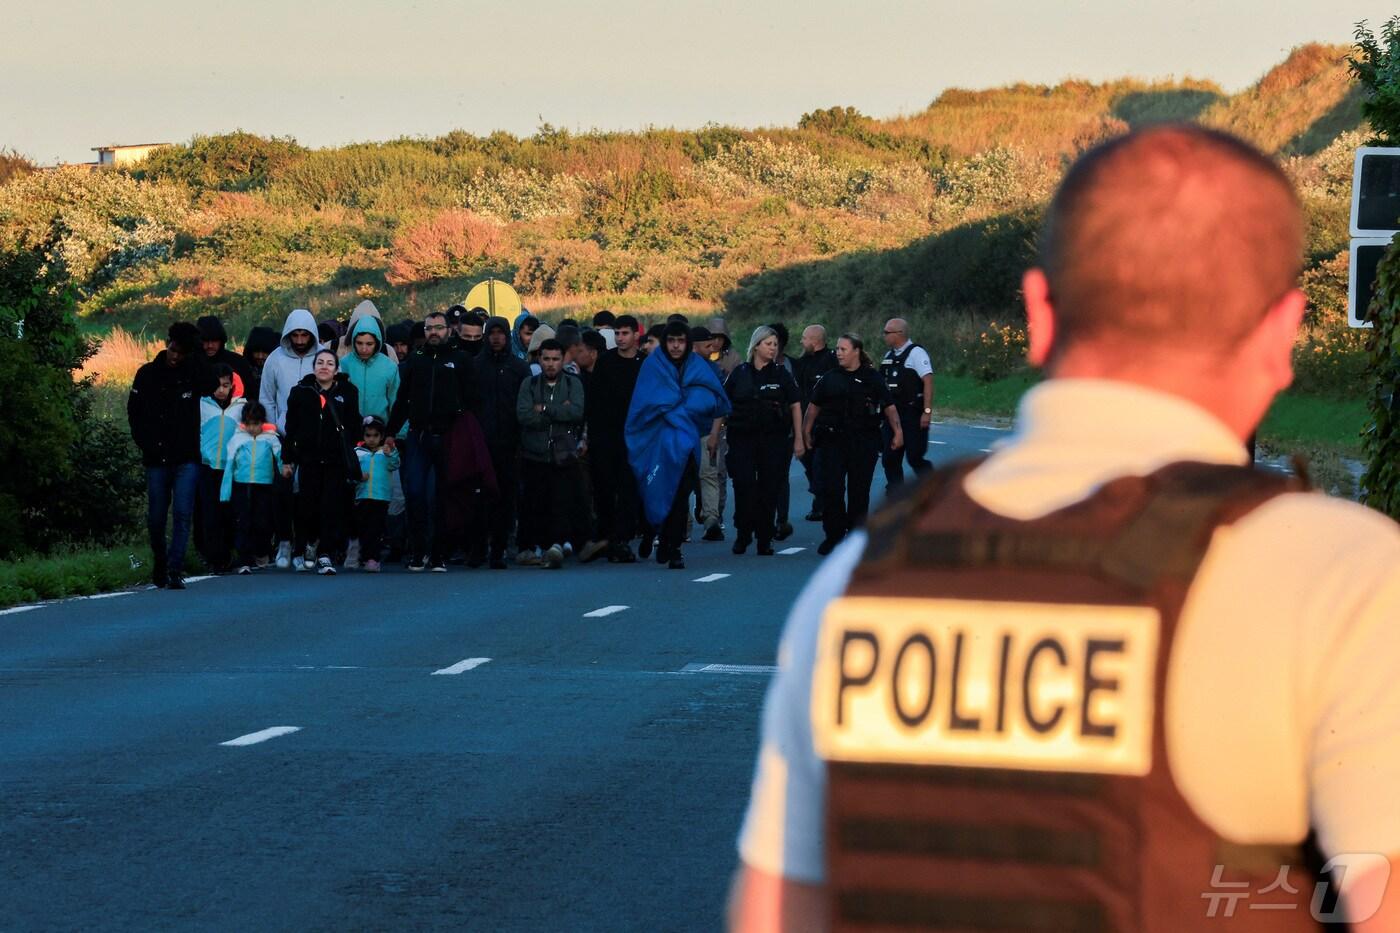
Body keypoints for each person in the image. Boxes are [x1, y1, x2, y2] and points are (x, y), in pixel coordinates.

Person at [731, 125, 1400, 931]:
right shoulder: (1338, 577)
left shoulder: (862, 576)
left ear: (1041, 313)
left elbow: (775, 908)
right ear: (1284, 330)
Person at [625, 321, 730, 570]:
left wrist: (687, 407)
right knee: (655, 487)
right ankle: (652, 532)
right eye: (671, 340)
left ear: (687, 343)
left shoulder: (696, 366)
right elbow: (643, 402)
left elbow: (713, 396)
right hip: (657, 441)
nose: (675, 346)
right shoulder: (653, 365)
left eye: (680, 341)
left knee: (680, 494)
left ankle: (673, 547)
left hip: (684, 442)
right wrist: (676, 405)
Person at [387, 310, 478, 572]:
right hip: (419, 435)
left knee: (440, 496)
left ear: (449, 329)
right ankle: (417, 551)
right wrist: (391, 432)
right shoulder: (416, 360)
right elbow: (403, 400)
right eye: (429, 328)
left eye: (439, 327)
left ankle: (438, 554)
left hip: (450, 436)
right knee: (414, 491)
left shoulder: (460, 359)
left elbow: (473, 400)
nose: (434, 332)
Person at [802, 334, 903, 556]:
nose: (838, 352)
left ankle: (856, 537)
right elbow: (813, 407)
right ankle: (833, 536)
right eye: (837, 349)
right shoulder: (829, 378)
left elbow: (889, 406)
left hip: (863, 442)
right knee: (832, 491)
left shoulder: (872, 378)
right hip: (832, 441)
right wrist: (806, 431)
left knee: (859, 491)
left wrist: (897, 432)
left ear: (856, 351)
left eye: (843, 349)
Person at [127, 322, 204, 589]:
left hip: (186, 457)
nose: (175, 356)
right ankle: (161, 561)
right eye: (173, 349)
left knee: (183, 513)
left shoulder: (193, 374)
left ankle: (175, 568)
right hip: (156, 457)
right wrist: (145, 444)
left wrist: (197, 358)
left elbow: (212, 384)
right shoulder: (146, 374)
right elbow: (133, 412)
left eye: (181, 353)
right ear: (167, 343)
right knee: (157, 517)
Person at [716, 326, 803, 557]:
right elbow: (723, 405)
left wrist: (799, 439)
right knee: (744, 485)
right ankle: (744, 533)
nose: (773, 348)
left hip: (773, 440)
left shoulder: (782, 374)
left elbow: (795, 405)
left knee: (769, 489)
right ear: (756, 346)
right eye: (768, 344)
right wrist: (715, 435)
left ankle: (765, 538)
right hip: (742, 438)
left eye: (775, 344)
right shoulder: (739, 373)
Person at [282, 349, 360, 575]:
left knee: (331, 506)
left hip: (336, 459)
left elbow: (354, 424)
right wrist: (288, 458)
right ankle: (304, 547)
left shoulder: (348, 391)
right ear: (313, 366)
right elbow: (291, 428)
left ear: (336, 369)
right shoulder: (300, 391)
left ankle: (325, 553)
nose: (324, 367)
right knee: (307, 505)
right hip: (309, 458)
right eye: (319, 362)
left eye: (329, 363)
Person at [516, 340, 589, 569]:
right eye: (546, 359)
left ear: (562, 359)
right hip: (534, 453)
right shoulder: (529, 384)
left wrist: (546, 408)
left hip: (562, 454)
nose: (550, 364)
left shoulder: (572, 383)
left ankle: (557, 545)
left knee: (561, 501)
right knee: (535, 503)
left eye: (555, 359)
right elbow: (524, 415)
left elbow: (576, 412)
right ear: (539, 359)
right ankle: (534, 547)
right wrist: (559, 411)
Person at [259, 307, 323, 568]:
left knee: (309, 494)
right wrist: (274, 429)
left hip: (314, 437)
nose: (299, 341)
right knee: (282, 492)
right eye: (294, 335)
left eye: (304, 335)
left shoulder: (321, 357)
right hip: (283, 436)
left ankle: (306, 545)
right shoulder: (274, 359)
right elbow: (267, 397)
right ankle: (284, 541)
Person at [475, 316, 532, 569]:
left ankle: (498, 549)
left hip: (510, 444)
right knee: (480, 498)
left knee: (505, 498)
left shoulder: (518, 368)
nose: (496, 337)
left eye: (501, 333)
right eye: (492, 333)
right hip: (482, 443)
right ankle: (477, 549)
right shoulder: (476, 366)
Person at [588, 314, 646, 563]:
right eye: (617, 334)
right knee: (605, 488)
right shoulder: (605, 362)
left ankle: (622, 539)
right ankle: (608, 537)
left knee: (628, 489)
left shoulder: (645, 364)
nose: (620, 338)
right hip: (606, 437)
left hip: (634, 437)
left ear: (636, 335)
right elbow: (595, 401)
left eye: (625, 333)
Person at [219, 402, 282, 574]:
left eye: (256, 423)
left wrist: (285, 471)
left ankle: (261, 551)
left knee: (262, 520)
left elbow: (280, 457)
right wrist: (225, 493)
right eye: (249, 424)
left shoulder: (270, 437)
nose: (252, 428)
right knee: (242, 520)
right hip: (241, 483)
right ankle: (244, 559)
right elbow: (229, 466)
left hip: (264, 483)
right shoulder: (237, 438)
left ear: (262, 422)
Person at [197, 365, 245, 572]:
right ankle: (214, 557)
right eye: (217, 385)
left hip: (231, 469)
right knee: (209, 513)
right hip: (207, 466)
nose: (221, 390)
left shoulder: (241, 407)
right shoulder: (201, 405)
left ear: (232, 386)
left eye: (226, 385)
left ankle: (228, 553)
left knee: (229, 512)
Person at [878, 315, 934, 488]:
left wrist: (926, 412)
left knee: (915, 457)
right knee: (889, 458)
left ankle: (933, 488)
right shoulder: (889, 356)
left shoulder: (916, 353)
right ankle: (896, 493)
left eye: (887, 332)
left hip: (912, 414)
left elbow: (928, 381)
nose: (884, 335)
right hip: (892, 415)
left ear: (899, 333)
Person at [794, 324, 838, 522]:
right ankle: (821, 496)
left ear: (814, 340)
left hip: (826, 423)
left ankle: (821, 503)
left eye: (804, 338)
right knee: (808, 461)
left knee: (822, 464)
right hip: (804, 423)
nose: (802, 342)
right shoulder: (801, 363)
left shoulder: (831, 360)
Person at [691, 325, 728, 542]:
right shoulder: (679, 368)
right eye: (707, 344)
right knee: (682, 480)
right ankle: (682, 525)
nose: (713, 347)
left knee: (709, 475)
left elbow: (720, 404)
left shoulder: (713, 370)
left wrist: (715, 433)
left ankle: (711, 519)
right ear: (694, 346)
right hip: (683, 433)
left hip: (706, 431)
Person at [352, 416, 400, 573]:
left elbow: (395, 464)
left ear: (382, 436)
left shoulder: (386, 453)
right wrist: (358, 476)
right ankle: (364, 556)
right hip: (362, 496)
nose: (371, 439)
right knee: (364, 527)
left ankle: (373, 558)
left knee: (376, 528)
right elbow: (350, 473)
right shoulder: (358, 452)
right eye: (368, 435)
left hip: (381, 498)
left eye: (375, 435)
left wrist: (390, 453)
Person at [341, 315, 400, 422]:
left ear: (377, 343)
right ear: (353, 342)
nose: (364, 349)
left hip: (380, 430)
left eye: (369, 344)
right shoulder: (344, 363)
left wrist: (399, 435)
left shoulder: (389, 366)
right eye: (359, 343)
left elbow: (396, 402)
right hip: (349, 429)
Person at [196, 315, 252, 397]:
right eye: (205, 341)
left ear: (221, 340)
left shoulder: (238, 363)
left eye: (214, 340)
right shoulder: (191, 364)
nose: (210, 345)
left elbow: (250, 395)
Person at [241, 325, 281, 405]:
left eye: (265, 352)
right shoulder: (244, 371)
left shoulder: (279, 371)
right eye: (256, 352)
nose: (260, 356)